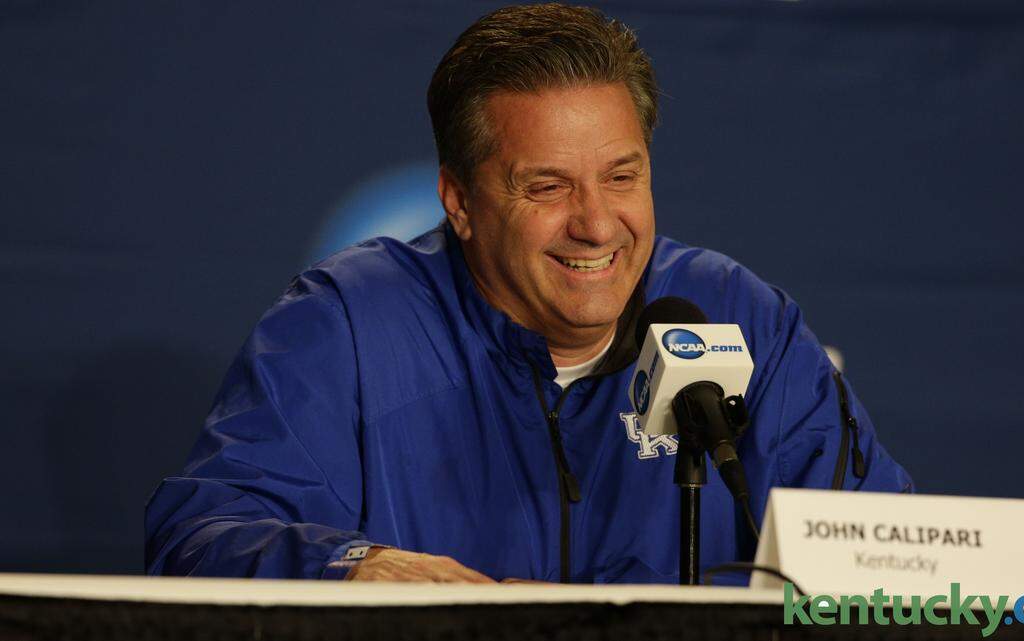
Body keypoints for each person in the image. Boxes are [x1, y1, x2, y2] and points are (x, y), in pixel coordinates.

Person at [145, 3, 912, 584]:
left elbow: (887, 562)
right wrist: (353, 568)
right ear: (460, 202)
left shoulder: (743, 318)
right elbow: (202, 536)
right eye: (547, 186)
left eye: (622, 176)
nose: (597, 224)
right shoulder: (346, 325)